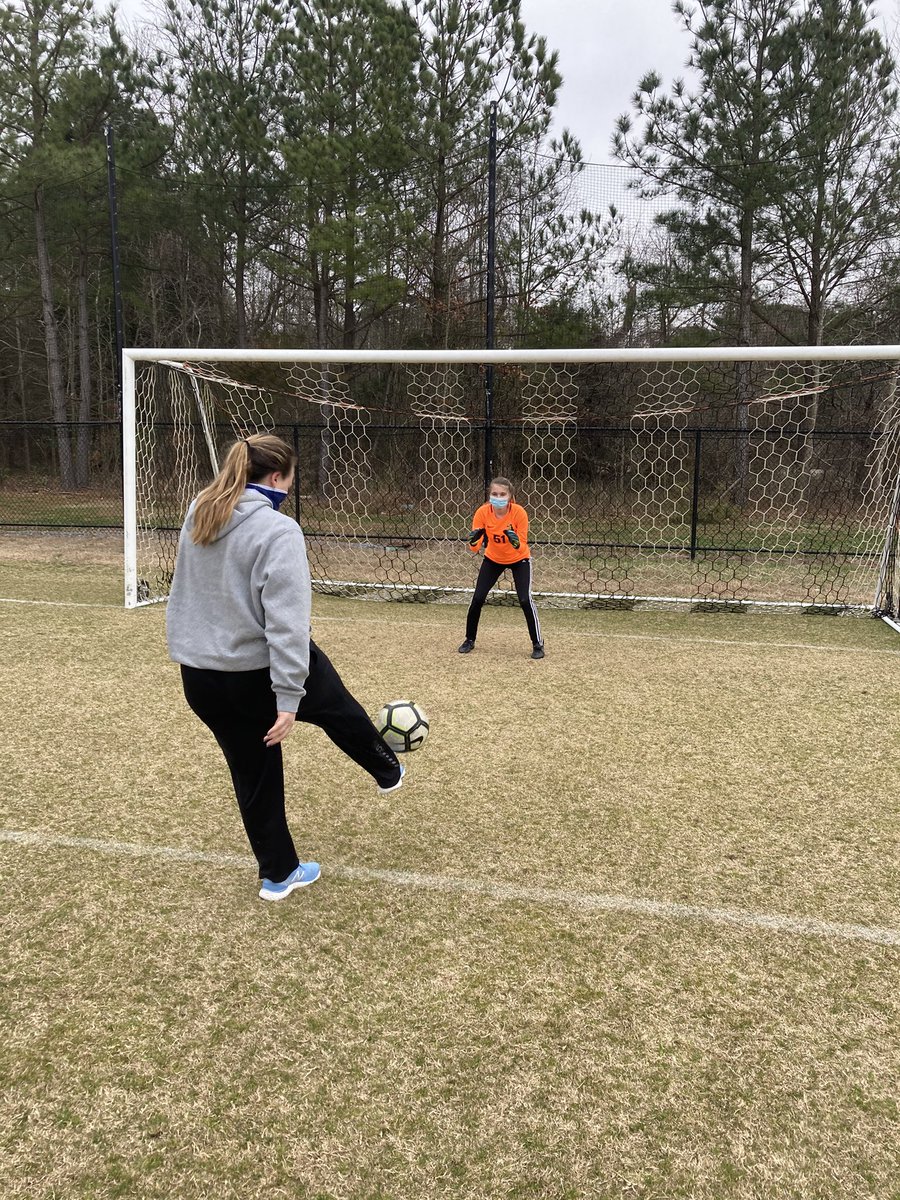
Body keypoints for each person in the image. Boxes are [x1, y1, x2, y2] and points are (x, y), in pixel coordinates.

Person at [166, 433, 403, 903]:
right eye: (292, 478)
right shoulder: (279, 531)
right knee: (333, 702)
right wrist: (289, 698)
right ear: (277, 478)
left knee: (253, 773)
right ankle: (386, 768)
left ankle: (278, 875)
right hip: (256, 673)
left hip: (200, 677)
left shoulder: (199, 510)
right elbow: (288, 624)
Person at [459, 476, 544, 660]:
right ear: (489, 495)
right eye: (495, 494)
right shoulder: (482, 512)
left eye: (502, 494)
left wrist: (515, 542)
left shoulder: (519, 513)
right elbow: (474, 547)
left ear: (510, 496)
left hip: (519, 559)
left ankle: (538, 643)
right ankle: (469, 640)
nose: (498, 498)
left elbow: (522, 545)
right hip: (493, 559)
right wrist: (473, 540)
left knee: (525, 599)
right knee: (478, 598)